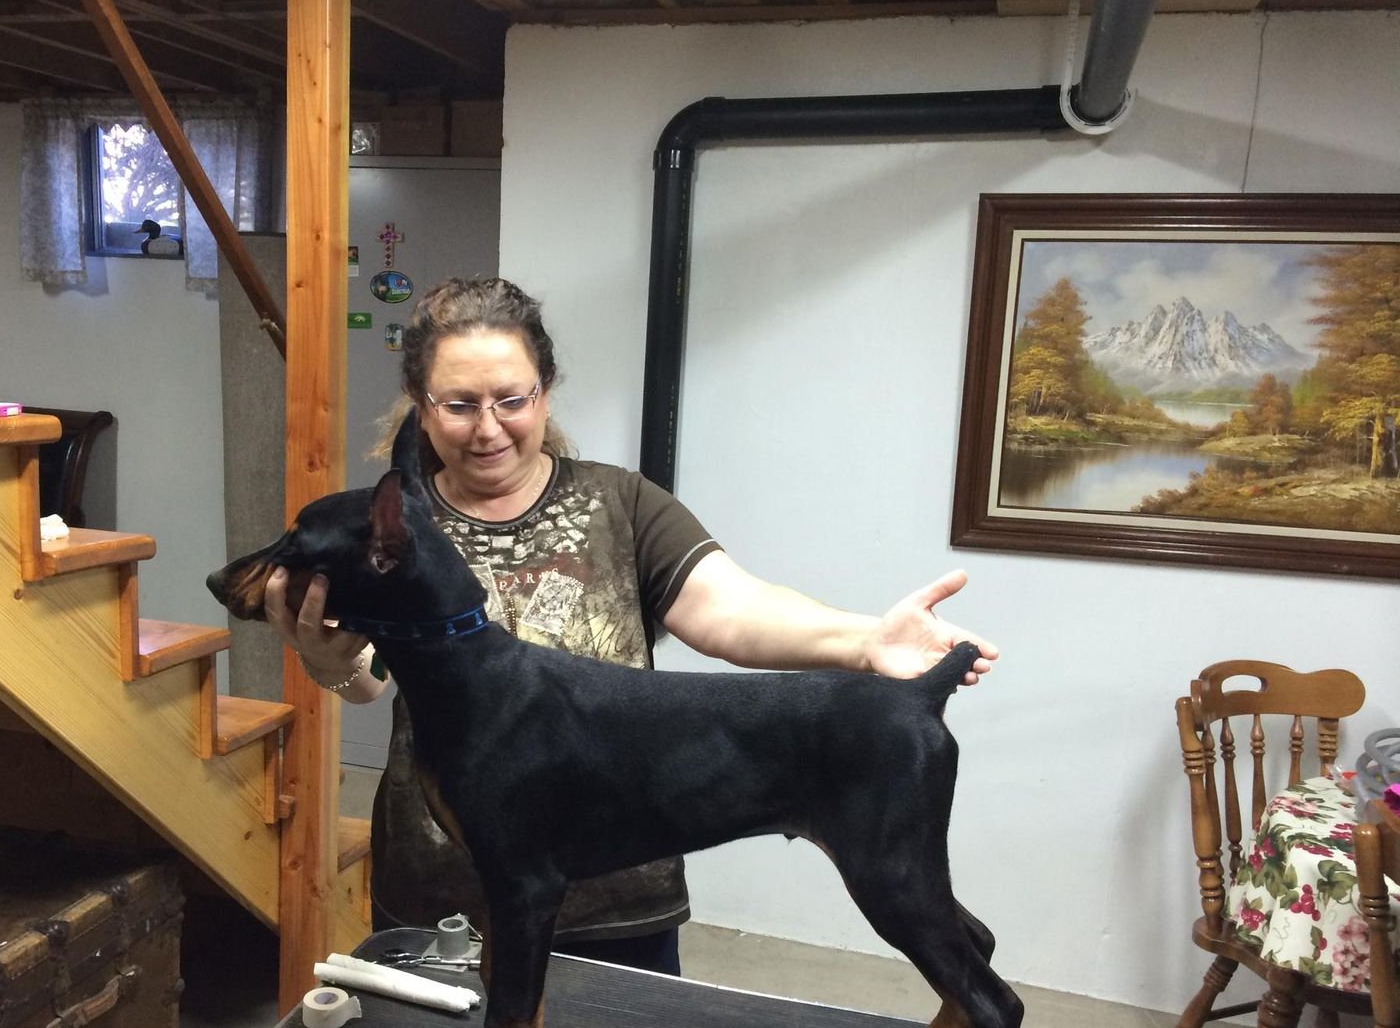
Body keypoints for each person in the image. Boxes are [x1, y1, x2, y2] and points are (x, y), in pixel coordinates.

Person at [263, 277, 998, 976]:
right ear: (421, 406)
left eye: (511, 399)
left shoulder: (620, 503)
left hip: (616, 899)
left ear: (545, 392)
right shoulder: (391, 529)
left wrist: (864, 642)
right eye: (459, 404)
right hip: (447, 892)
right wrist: (327, 659)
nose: (488, 427)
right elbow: (366, 679)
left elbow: (731, 610)